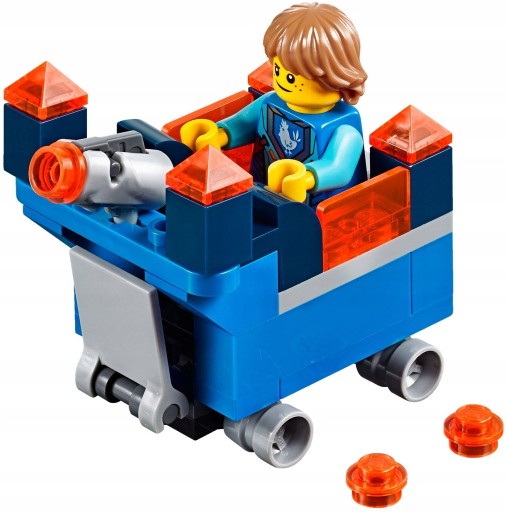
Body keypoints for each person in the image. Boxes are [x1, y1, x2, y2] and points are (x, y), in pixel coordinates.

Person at [181, 3, 368, 206]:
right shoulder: (270, 101)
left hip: (316, 211)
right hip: (259, 194)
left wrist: (305, 179)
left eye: (292, 77)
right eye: (278, 70)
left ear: (336, 75)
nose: (284, 81)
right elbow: (243, 122)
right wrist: (219, 135)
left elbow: (338, 168)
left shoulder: (344, 128)